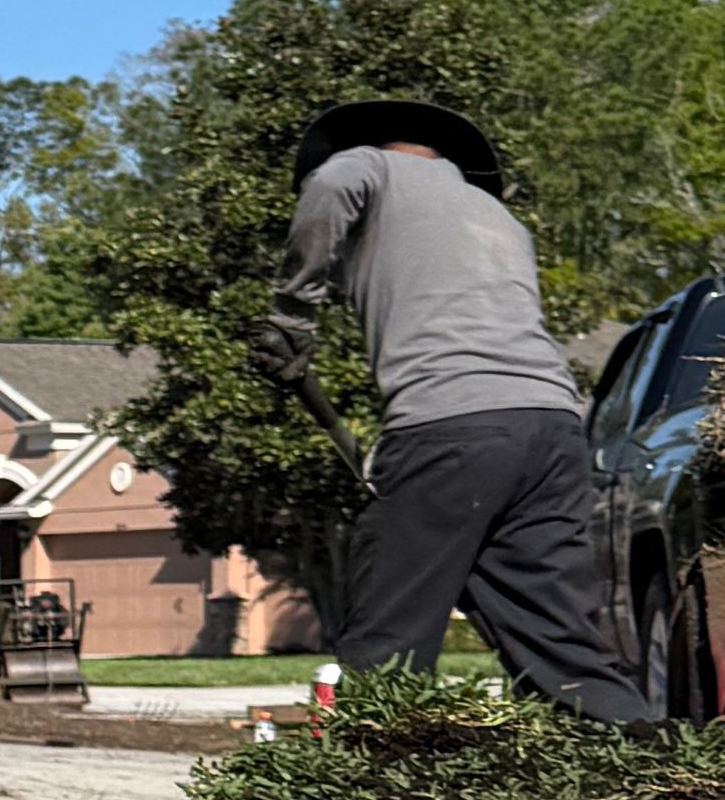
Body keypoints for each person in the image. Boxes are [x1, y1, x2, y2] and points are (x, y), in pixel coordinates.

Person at [260, 99, 653, 724]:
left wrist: (291, 312)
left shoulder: (366, 168)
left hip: (450, 424)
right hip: (551, 429)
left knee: (388, 627)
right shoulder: (495, 215)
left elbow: (332, 183)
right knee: (555, 636)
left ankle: (368, 799)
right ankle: (645, 767)